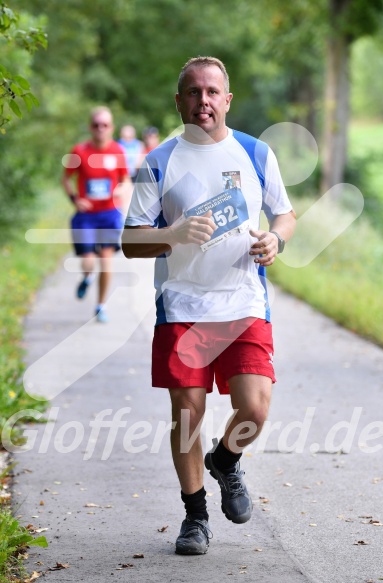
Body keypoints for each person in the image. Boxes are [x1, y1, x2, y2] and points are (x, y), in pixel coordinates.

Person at [121, 57, 296, 554]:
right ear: (179, 101)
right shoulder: (157, 161)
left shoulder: (256, 153)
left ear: (227, 99)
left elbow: (284, 214)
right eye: (193, 92)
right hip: (183, 305)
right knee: (188, 411)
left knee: (255, 409)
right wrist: (172, 234)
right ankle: (195, 516)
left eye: (212, 92)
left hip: (243, 302)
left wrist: (276, 242)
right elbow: (131, 241)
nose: (203, 101)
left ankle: (225, 460)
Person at [63, 106, 131, 323]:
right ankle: (87, 276)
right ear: (90, 127)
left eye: (105, 125)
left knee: (106, 261)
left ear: (111, 128)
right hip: (87, 217)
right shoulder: (79, 151)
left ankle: (100, 306)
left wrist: (121, 189)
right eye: (96, 125)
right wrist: (75, 199)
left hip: (109, 214)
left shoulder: (118, 151)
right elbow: (65, 178)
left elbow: (126, 179)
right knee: (88, 261)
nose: (100, 129)